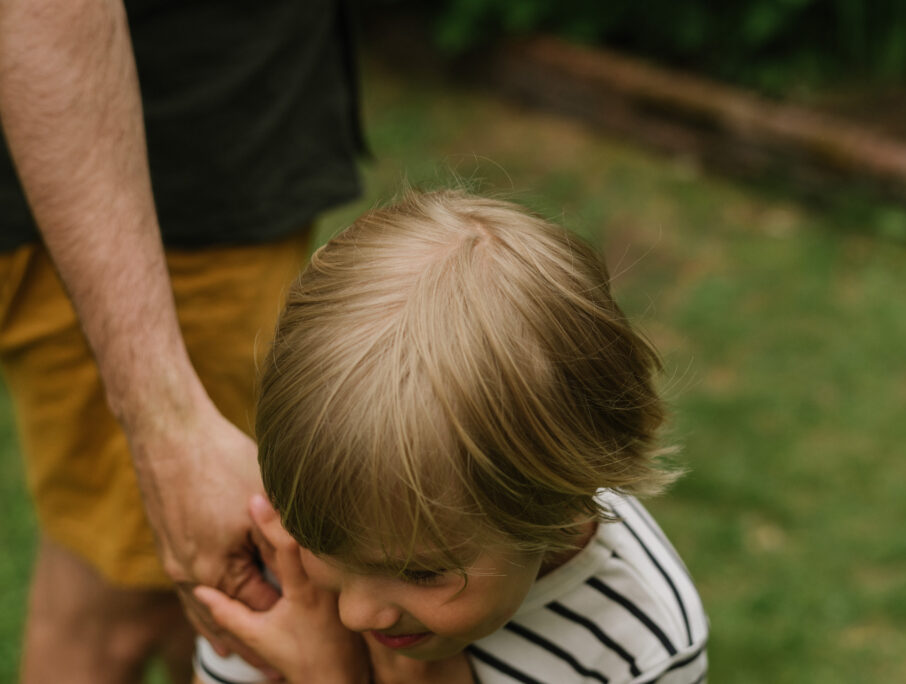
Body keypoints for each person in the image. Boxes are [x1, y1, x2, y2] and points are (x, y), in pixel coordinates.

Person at [191, 190, 710, 683]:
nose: (355, 614)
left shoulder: (641, 651)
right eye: (318, 543)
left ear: (558, 499)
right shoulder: (297, 533)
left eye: (421, 573)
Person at [0, 1, 363, 681]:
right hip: (148, 196)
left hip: (211, 158)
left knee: (180, 609)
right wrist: (165, 419)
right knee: (122, 611)